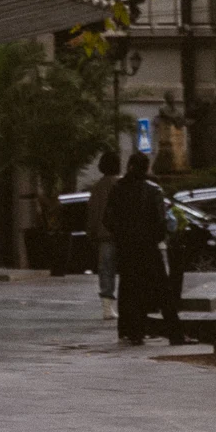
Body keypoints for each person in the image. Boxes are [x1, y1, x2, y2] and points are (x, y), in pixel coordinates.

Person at [104, 152, 187, 345]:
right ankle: (175, 333)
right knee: (163, 289)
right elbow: (160, 221)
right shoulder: (152, 190)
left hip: (127, 246)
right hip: (148, 246)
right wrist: (155, 236)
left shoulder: (118, 189)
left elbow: (108, 219)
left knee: (129, 287)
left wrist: (121, 235)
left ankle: (131, 331)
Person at [86, 148, 122, 322]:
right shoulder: (121, 185)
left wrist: (92, 232)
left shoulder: (97, 188)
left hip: (104, 235)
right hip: (122, 235)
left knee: (105, 271)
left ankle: (107, 306)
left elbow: (92, 213)